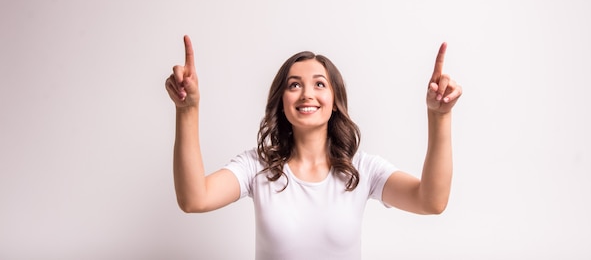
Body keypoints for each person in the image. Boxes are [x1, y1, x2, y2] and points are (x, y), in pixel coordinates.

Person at [165, 35, 462, 260]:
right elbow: (194, 199)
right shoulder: (257, 167)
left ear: (335, 101)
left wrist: (439, 116)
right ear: (282, 101)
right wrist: (188, 109)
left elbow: (431, 201)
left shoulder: (362, 171)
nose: (307, 93)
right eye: (294, 85)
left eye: (319, 84)